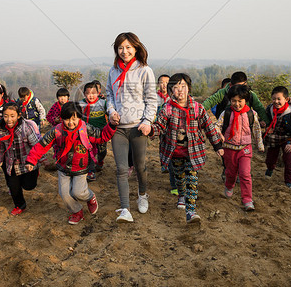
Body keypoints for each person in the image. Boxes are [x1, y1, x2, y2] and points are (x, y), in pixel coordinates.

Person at [150, 73, 224, 223]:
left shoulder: (198, 108)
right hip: (175, 152)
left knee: (192, 179)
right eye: (176, 88)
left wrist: (217, 145)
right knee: (179, 178)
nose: (180, 90)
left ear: (188, 88)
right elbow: (159, 127)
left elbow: (209, 128)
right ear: (171, 92)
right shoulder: (167, 109)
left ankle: (191, 212)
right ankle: (181, 195)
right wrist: (150, 130)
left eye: (183, 86)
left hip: (193, 152)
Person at [26, 102, 117, 224]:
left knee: (78, 192)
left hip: (81, 167)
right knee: (64, 194)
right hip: (63, 167)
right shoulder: (56, 131)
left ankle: (90, 197)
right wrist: (31, 160)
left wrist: (111, 125)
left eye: (74, 119)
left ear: (79, 117)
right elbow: (42, 145)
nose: (70, 123)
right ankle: (77, 211)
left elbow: (101, 136)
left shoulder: (85, 129)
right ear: (62, 118)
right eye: (67, 119)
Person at [106, 32, 157, 223]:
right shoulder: (112, 71)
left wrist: (147, 121)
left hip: (138, 127)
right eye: (120, 48)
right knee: (120, 169)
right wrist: (111, 111)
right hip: (118, 128)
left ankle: (142, 194)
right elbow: (109, 95)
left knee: (140, 166)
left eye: (128, 47)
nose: (124, 51)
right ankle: (125, 209)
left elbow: (152, 99)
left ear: (136, 48)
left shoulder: (145, 70)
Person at [218, 84, 264, 211]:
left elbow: (256, 129)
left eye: (240, 101)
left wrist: (259, 144)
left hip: (245, 148)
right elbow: (218, 125)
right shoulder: (226, 113)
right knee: (231, 172)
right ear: (229, 100)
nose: (237, 104)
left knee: (245, 174)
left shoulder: (251, 114)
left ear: (246, 100)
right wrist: (219, 135)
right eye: (234, 101)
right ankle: (229, 185)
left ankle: (247, 200)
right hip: (229, 148)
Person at [0, 102, 41, 215]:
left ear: (18, 115)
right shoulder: (1, 130)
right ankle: (20, 205)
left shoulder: (26, 128)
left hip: (28, 163)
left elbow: (36, 145)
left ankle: (34, 173)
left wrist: (41, 160)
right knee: (13, 186)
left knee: (29, 186)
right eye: (5, 116)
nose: (9, 119)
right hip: (11, 163)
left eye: (12, 116)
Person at [263, 86, 291, 190]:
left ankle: (289, 181)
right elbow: (265, 119)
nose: (276, 101)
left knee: (289, 160)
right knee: (270, 158)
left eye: (279, 99)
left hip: (288, 139)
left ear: (286, 99)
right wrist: (263, 122)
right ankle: (270, 168)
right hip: (274, 138)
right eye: (274, 99)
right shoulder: (270, 109)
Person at [79, 82, 108, 181]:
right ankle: (90, 171)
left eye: (93, 93)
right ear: (84, 94)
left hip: (101, 132)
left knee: (102, 151)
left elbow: (110, 114)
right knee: (89, 152)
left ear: (98, 93)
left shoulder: (103, 103)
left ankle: (100, 161)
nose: (91, 95)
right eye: (88, 93)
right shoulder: (81, 104)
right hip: (86, 133)